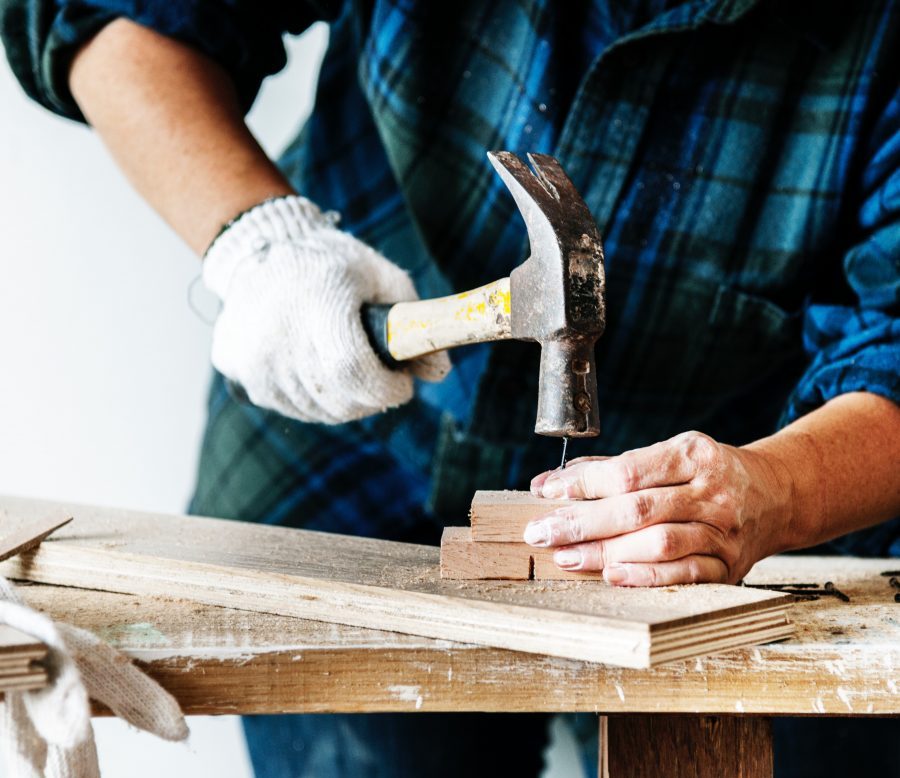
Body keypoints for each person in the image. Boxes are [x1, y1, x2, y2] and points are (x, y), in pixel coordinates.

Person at [2, 2, 899, 776]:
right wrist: (258, 242)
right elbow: (113, 16)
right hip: (343, 449)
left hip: (737, 509)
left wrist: (779, 489)